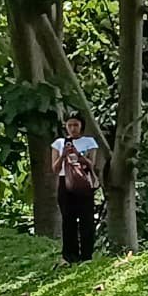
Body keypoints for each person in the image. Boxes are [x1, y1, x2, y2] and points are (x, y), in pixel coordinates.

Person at [51, 113, 100, 264]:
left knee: (86, 219)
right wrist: (63, 156)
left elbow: (92, 164)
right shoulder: (59, 143)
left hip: (83, 182)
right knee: (68, 219)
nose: (73, 128)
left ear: (81, 126)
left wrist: (79, 156)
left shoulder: (89, 142)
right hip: (65, 182)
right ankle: (69, 255)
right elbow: (54, 168)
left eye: (76, 125)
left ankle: (87, 255)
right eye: (70, 125)